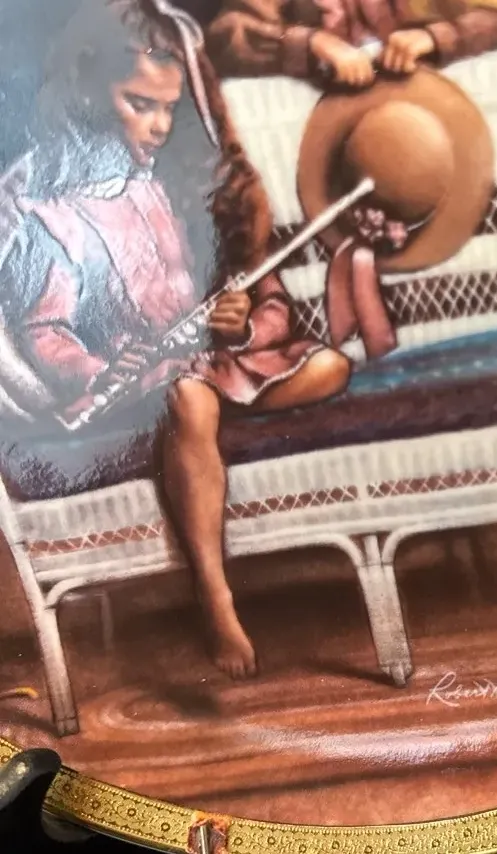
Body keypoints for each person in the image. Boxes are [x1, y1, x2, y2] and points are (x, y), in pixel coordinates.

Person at [0, 0, 351, 678]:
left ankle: (203, 422)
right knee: (190, 401)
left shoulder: (165, 190)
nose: (159, 126)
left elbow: (213, 293)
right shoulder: (51, 214)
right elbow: (45, 331)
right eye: (139, 105)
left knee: (330, 366)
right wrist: (98, 367)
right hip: (131, 381)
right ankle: (216, 599)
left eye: (167, 108)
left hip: (197, 361)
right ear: (88, 95)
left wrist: (236, 320)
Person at [205, 0, 497, 83]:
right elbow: (227, 35)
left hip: (433, 133)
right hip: (336, 143)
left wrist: (433, 37)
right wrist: (312, 43)